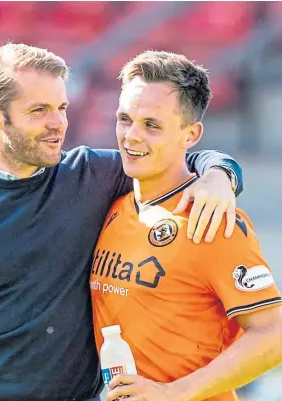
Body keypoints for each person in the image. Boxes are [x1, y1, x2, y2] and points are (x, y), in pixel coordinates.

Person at [0, 43, 243, 401]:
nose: (58, 123)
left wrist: (220, 174)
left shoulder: (92, 173)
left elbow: (177, 156)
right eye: (39, 111)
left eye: (62, 107)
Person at [90, 50, 282, 401]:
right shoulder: (112, 206)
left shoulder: (212, 220)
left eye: (151, 125)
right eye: (124, 118)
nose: (131, 136)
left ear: (191, 135)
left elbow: (274, 333)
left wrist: (174, 393)